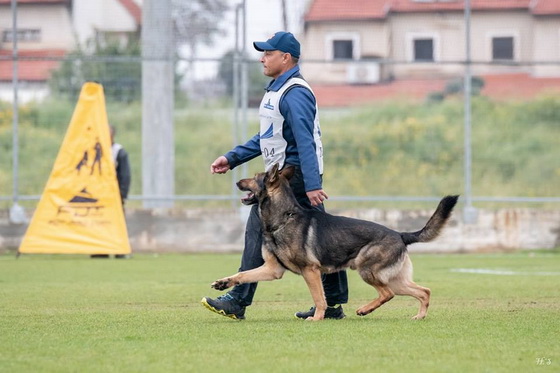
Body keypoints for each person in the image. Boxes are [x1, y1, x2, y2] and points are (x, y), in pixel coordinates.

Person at [201, 31, 348, 320]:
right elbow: (267, 137)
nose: (262, 58)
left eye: (268, 54)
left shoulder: (295, 93)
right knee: (326, 237)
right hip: (289, 178)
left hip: (291, 180)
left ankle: (237, 300)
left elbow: (305, 140)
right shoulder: (278, 90)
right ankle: (332, 304)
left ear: (286, 57)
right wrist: (232, 158)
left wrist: (312, 185)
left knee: (257, 230)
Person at [91, 125, 131, 259]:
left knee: (117, 224)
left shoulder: (118, 151)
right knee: (99, 223)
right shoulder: (94, 150)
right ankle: (100, 250)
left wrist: (122, 194)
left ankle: (120, 251)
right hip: (98, 195)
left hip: (113, 196)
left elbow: (125, 175)